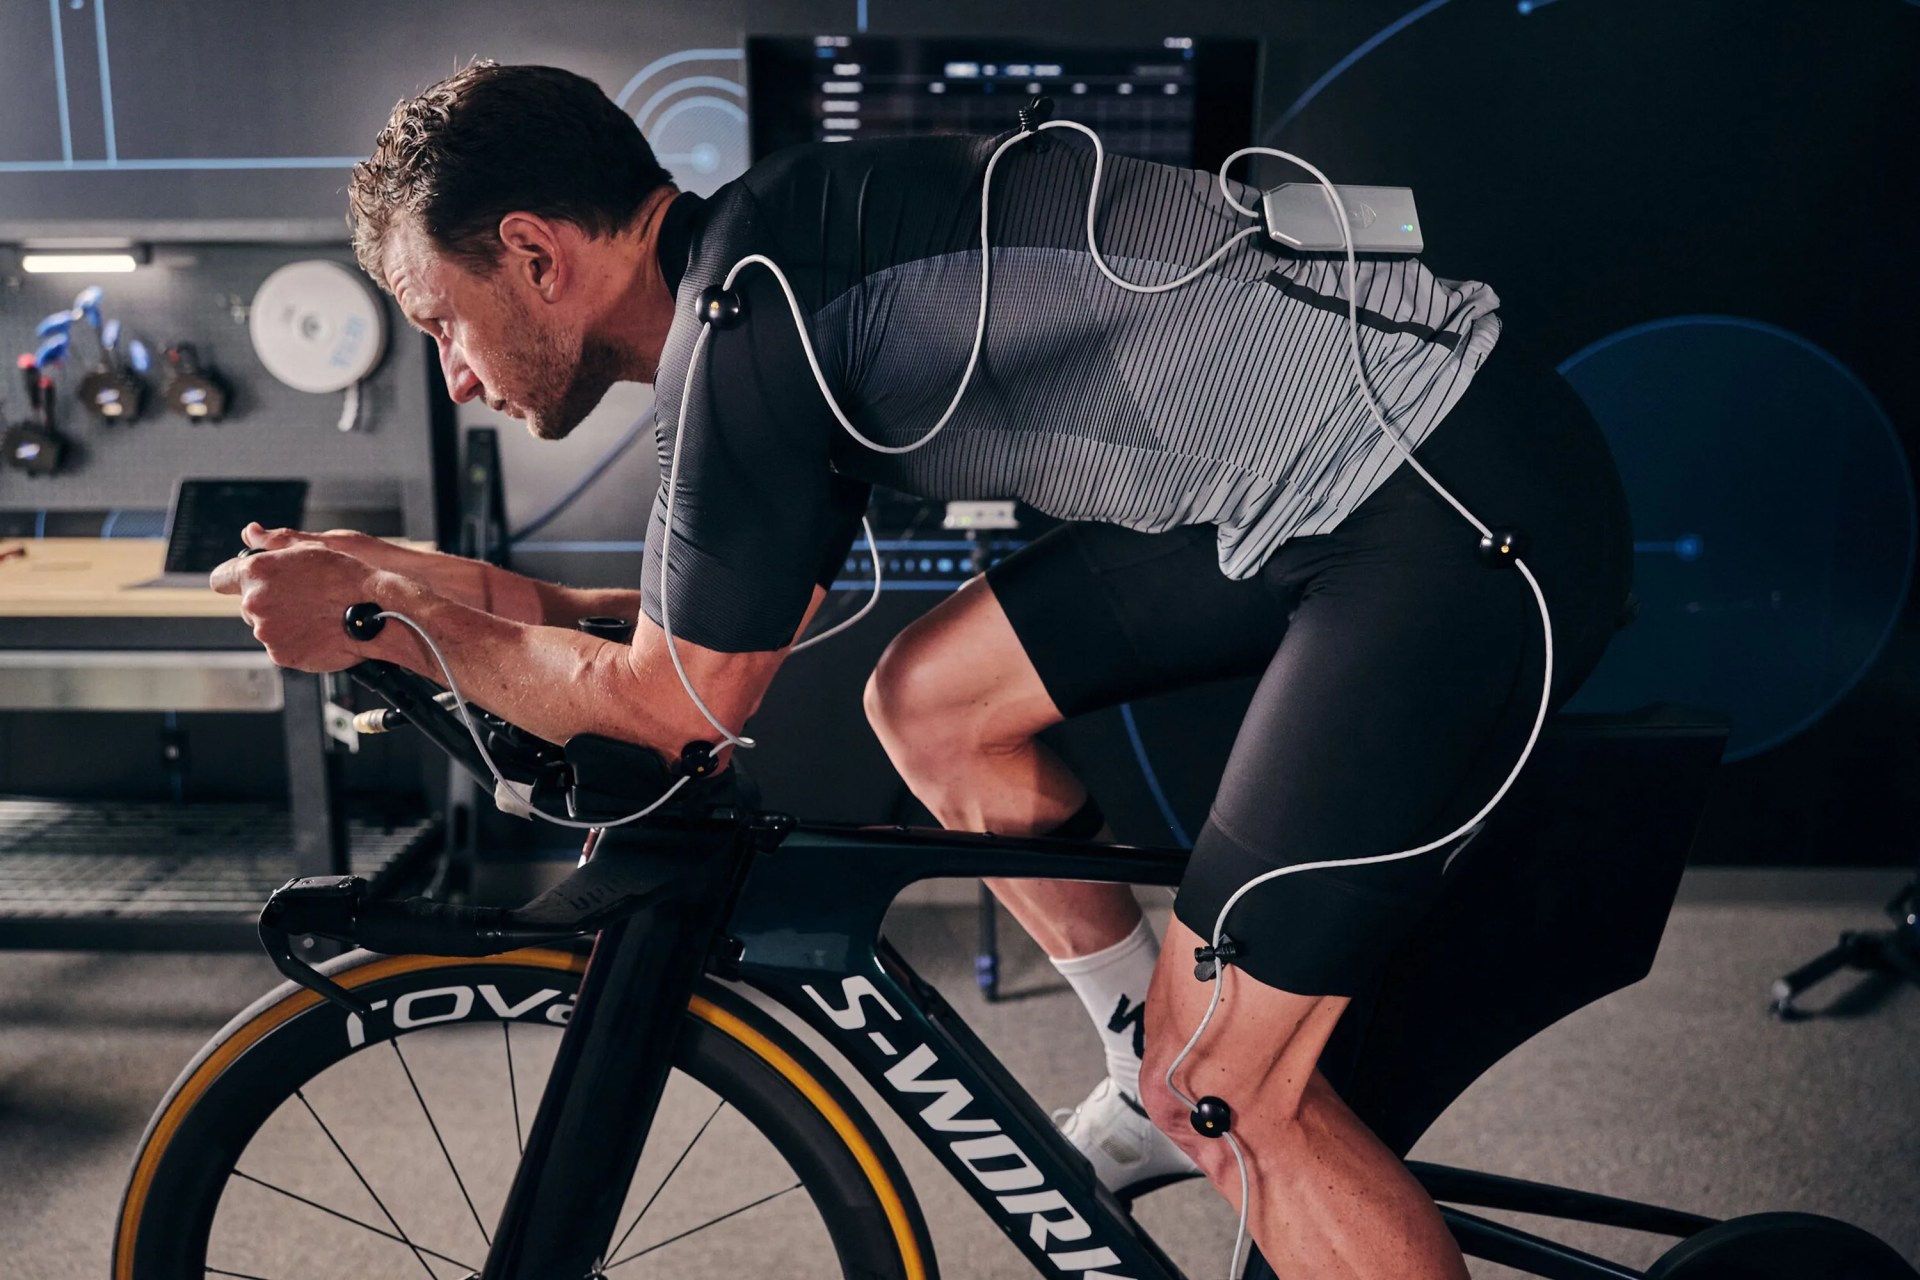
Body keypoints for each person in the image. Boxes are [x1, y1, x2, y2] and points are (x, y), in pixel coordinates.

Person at [215, 61, 1631, 1279]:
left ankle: (1189, 1089)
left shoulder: (749, 323)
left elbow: (670, 708)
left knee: (1232, 1091)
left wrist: (379, 623)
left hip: (1450, 506)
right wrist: (381, 578)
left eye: (438, 320)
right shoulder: (751, 280)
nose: (454, 374)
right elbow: (631, 624)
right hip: (1343, 486)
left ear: (533, 254)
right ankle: (1146, 1062)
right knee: (931, 697)